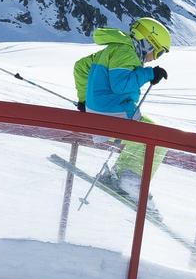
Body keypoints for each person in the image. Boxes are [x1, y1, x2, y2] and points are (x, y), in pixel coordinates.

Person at [72, 17, 171, 198]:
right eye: (157, 53)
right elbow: (121, 85)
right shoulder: (127, 52)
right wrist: (149, 73)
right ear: (148, 42)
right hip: (114, 113)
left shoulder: (112, 49)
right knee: (157, 139)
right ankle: (130, 182)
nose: (152, 59)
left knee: (142, 136)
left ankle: (120, 176)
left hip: (100, 112)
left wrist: (84, 101)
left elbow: (80, 67)